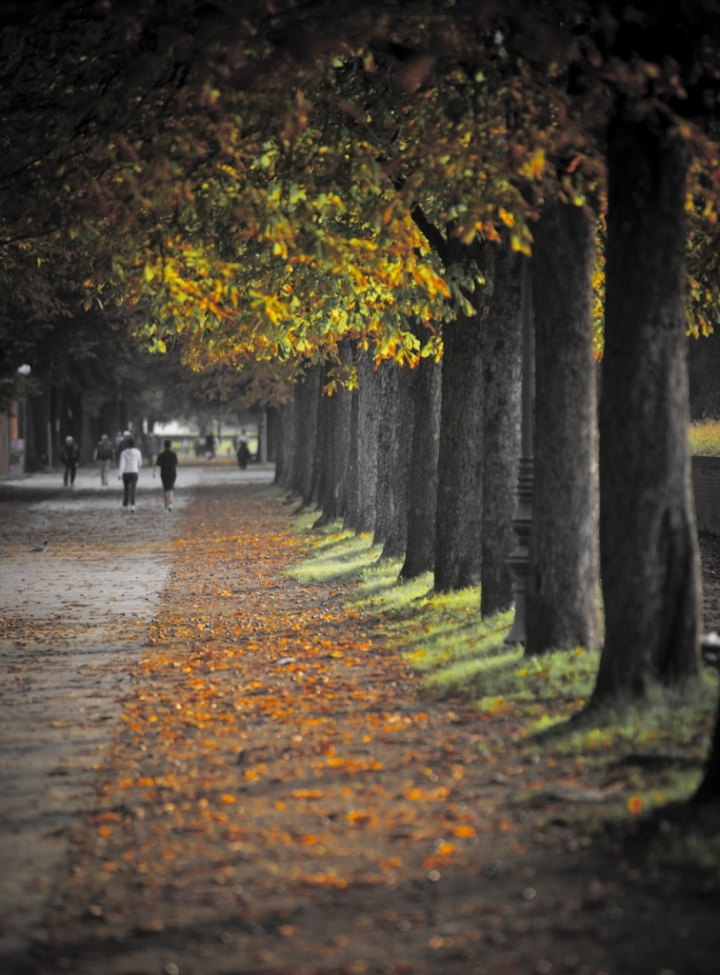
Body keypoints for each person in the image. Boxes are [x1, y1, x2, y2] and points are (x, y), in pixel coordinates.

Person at [117, 436, 143, 512]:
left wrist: (120, 474)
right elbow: (140, 463)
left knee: (126, 489)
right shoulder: (137, 452)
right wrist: (137, 469)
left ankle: (125, 505)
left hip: (126, 472)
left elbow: (122, 464)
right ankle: (132, 505)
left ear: (127, 444)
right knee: (133, 489)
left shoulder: (124, 453)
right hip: (134, 472)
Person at [153, 439, 179, 511]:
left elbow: (157, 465)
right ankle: (170, 503)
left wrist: (154, 472)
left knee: (166, 489)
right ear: (170, 446)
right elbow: (176, 462)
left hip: (164, 473)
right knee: (171, 488)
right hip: (172, 473)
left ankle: (166, 504)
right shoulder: (173, 454)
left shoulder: (161, 455)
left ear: (164, 446)